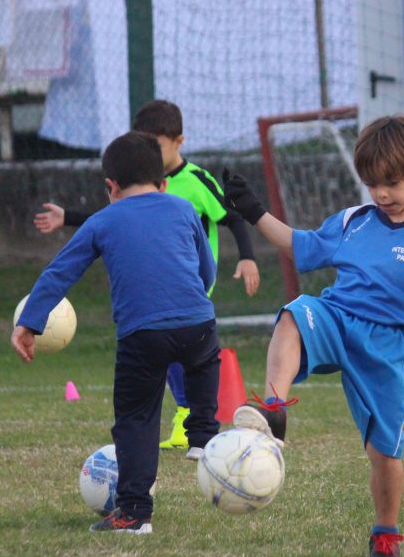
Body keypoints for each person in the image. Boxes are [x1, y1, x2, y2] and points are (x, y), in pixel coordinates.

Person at [222, 115, 404, 557]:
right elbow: (298, 243)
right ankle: (274, 411)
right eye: (372, 185)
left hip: (386, 344)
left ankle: (385, 534)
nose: (381, 195)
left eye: (392, 183)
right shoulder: (355, 220)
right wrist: (254, 209)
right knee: (294, 315)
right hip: (338, 317)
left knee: (384, 451)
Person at [12, 130, 221, 534]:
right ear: (162, 183)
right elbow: (206, 268)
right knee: (203, 361)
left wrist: (30, 322)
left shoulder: (101, 221)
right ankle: (204, 436)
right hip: (199, 323)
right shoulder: (182, 209)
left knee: (137, 419)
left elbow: (61, 273)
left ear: (110, 186)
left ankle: (134, 514)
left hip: (142, 336)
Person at [35, 100, 259, 453]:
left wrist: (247, 258)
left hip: (189, 290)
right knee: (177, 354)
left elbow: (230, 218)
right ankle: (195, 427)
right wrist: (70, 217)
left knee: (174, 356)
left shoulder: (196, 182)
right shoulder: (148, 188)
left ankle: (189, 425)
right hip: (178, 302)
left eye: (157, 143)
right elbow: (116, 219)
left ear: (179, 141)